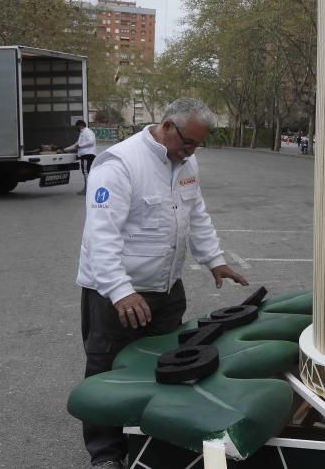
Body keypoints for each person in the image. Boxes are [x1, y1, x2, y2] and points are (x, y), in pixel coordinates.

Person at [75, 98, 249, 469]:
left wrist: (214, 260)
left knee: (164, 368)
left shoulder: (185, 162)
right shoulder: (119, 164)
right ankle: (106, 455)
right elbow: (101, 236)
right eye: (188, 143)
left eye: (198, 146)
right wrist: (121, 292)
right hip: (115, 294)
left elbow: (195, 214)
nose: (191, 152)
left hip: (166, 290)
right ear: (167, 126)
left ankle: (150, 442)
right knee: (108, 372)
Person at [64, 119, 98, 195]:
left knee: (86, 172)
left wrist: (80, 145)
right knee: (86, 172)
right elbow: (76, 145)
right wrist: (65, 150)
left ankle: (87, 190)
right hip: (86, 156)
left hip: (87, 155)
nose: (77, 128)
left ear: (80, 125)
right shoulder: (82, 133)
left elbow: (91, 142)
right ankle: (87, 189)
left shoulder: (88, 132)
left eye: (77, 126)